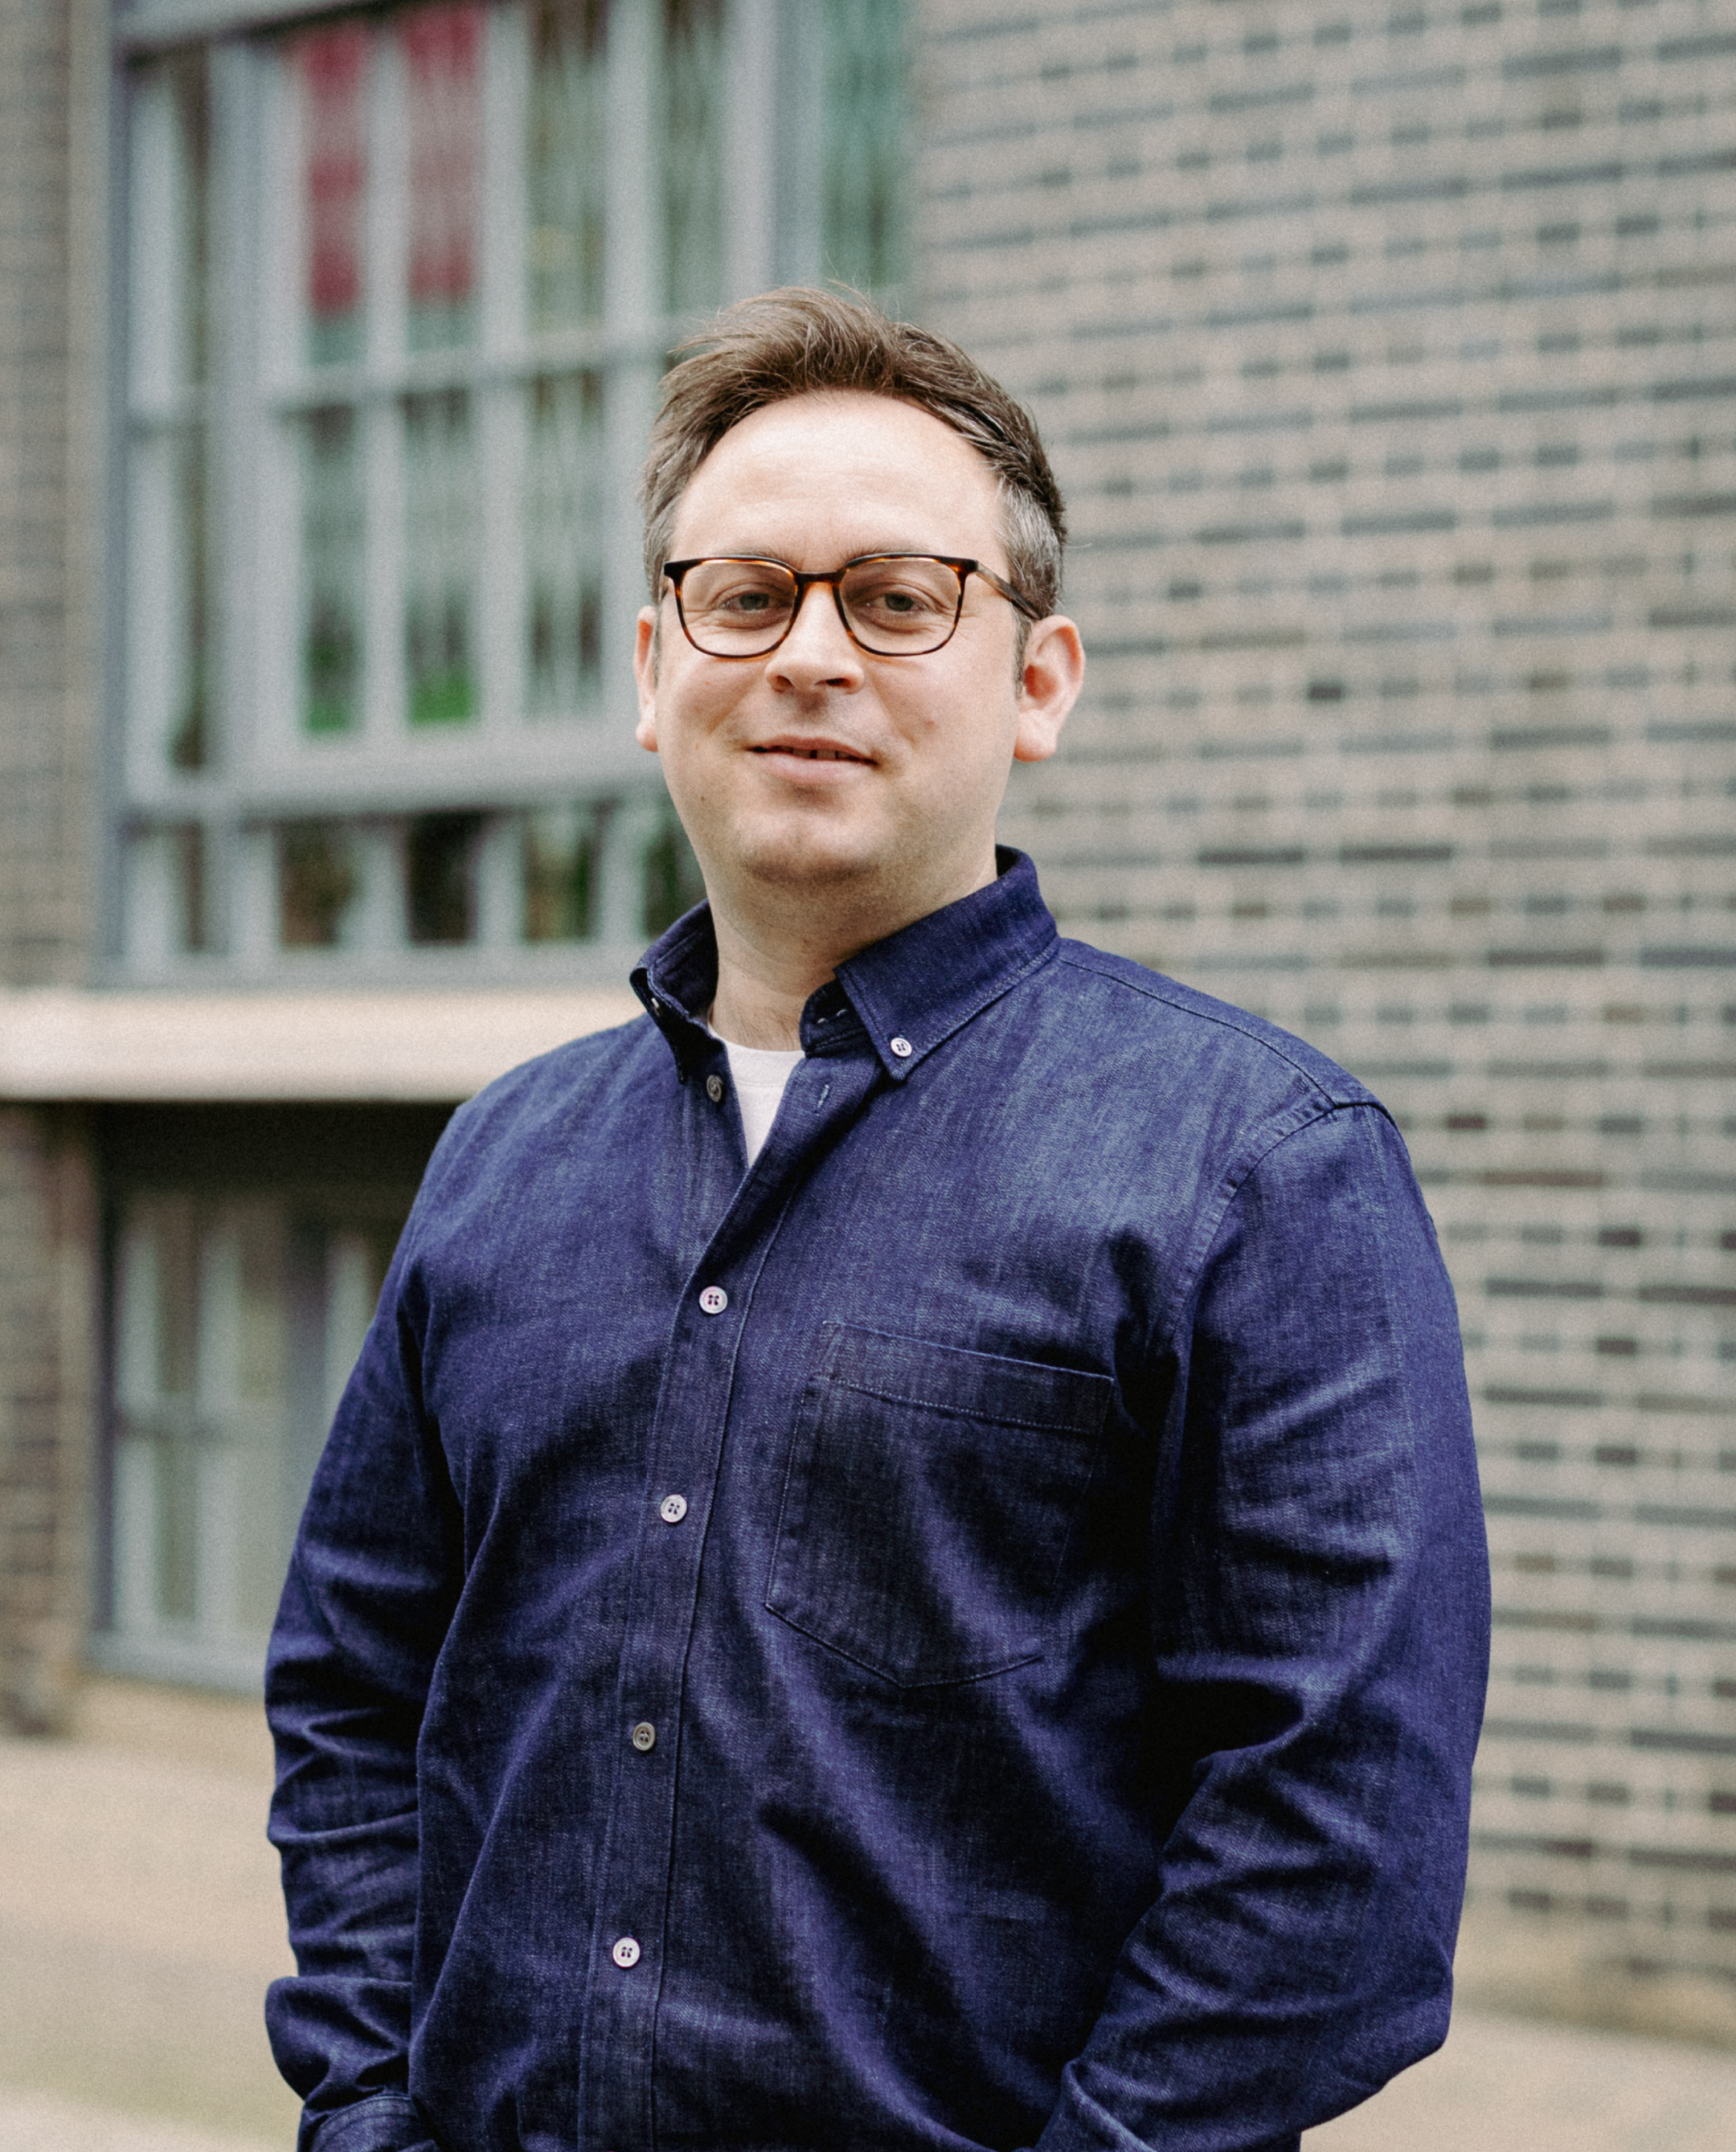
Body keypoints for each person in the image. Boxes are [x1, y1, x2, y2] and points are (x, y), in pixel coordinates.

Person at [266, 288, 1489, 2152]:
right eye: (745, 596)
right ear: (650, 666)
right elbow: (356, 1695)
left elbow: (1338, 1836)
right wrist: (362, 2107)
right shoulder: (502, 1158)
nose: (810, 655)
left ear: (1040, 679)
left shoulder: (1255, 1165)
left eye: (899, 598)